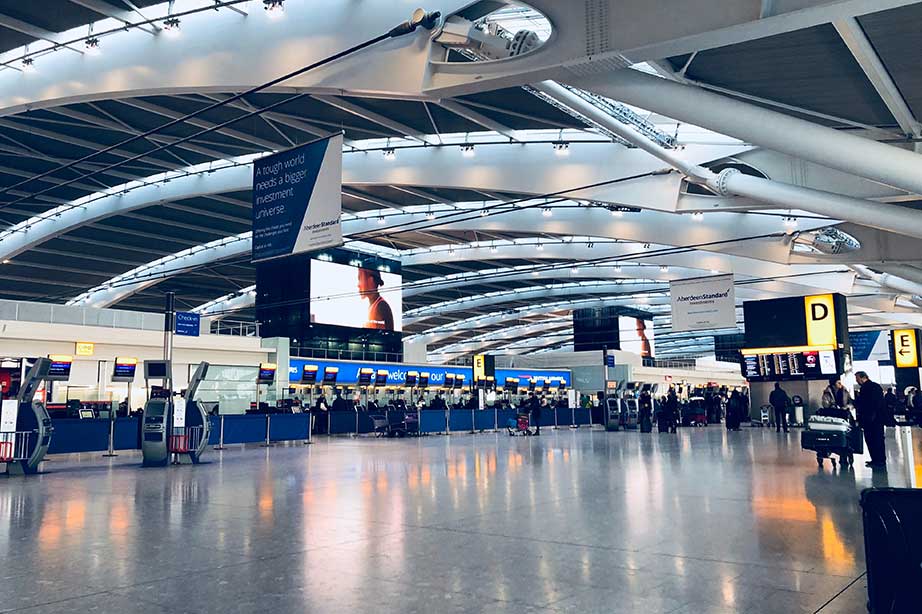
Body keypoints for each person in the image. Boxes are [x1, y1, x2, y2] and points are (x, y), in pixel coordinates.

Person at [855, 371, 887, 468]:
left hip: (873, 419)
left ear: (863, 377)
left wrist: (870, 415)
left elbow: (873, 404)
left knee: (875, 439)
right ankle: (876, 459)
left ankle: (879, 460)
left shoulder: (869, 388)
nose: (857, 381)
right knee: (873, 439)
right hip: (873, 418)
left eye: (857, 378)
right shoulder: (873, 387)